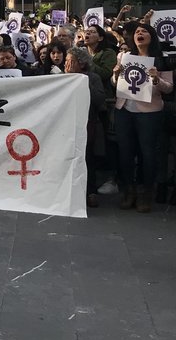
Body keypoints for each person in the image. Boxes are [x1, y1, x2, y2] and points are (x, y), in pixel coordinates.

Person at [112, 23, 172, 212]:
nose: (140, 33)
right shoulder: (123, 56)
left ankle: (146, 192)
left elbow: (168, 88)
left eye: (144, 31)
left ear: (151, 36)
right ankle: (129, 191)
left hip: (149, 113)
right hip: (124, 110)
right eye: (137, 32)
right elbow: (116, 84)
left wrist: (156, 79)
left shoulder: (161, 60)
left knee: (148, 154)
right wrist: (115, 75)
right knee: (125, 153)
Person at [65, 47, 107, 208]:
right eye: (66, 61)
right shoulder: (61, 77)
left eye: (71, 61)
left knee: (87, 158)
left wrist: (82, 81)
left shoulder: (93, 78)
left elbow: (99, 99)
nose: (67, 64)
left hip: (86, 123)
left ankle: (90, 191)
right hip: (66, 123)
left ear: (82, 64)